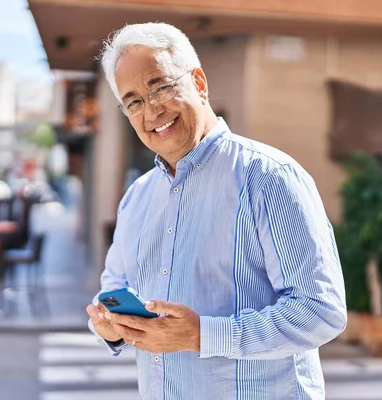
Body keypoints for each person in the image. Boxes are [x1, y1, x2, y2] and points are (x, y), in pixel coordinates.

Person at [86, 22, 346, 399]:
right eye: (134, 102)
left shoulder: (269, 177)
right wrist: (110, 326)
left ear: (200, 83)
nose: (151, 109)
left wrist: (202, 335)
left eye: (160, 87)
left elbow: (321, 311)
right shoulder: (137, 197)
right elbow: (114, 289)